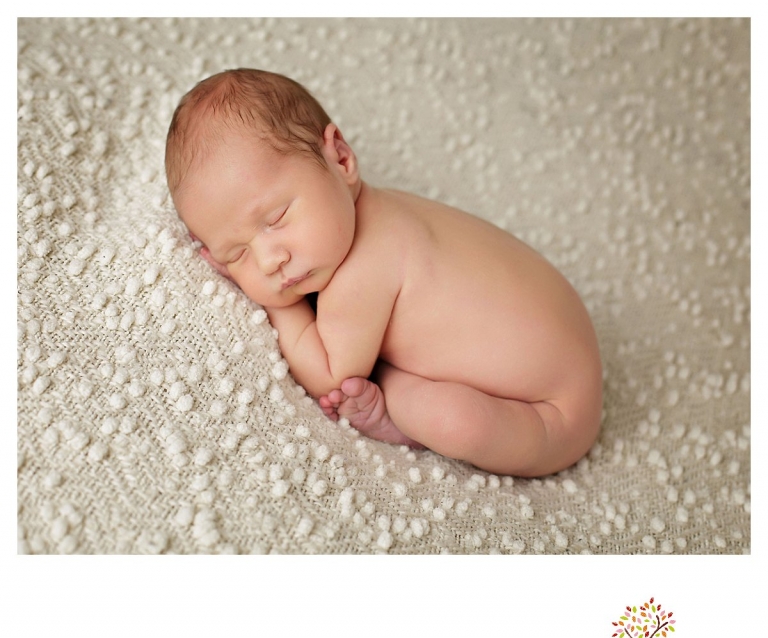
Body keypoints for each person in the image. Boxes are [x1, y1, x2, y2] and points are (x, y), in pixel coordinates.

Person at [165, 68, 603, 476]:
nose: (268, 260)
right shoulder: (379, 210)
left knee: (452, 421)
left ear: (340, 158)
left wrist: (277, 308)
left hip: (551, 419)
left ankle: (395, 412)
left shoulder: (364, 267)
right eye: (236, 253)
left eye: (276, 217)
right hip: (571, 344)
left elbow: (329, 376)